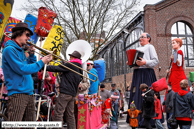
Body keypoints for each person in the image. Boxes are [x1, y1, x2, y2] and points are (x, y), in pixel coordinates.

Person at [2, 22, 52, 122]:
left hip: (28, 92)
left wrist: (32, 54)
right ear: (19, 33)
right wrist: (42, 62)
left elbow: (31, 67)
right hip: (18, 93)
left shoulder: (20, 50)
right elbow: (22, 69)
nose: (29, 38)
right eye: (27, 34)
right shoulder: (9, 50)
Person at [126, 32, 159, 126]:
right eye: (139, 37)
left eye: (142, 37)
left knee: (148, 94)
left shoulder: (150, 47)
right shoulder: (137, 49)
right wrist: (130, 63)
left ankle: (150, 120)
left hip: (147, 72)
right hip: (137, 73)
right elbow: (134, 62)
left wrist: (145, 62)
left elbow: (155, 61)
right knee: (135, 93)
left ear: (148, 38)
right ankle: (134, 117)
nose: (140, 39)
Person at [46, 50, 83, 129]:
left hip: (65, 93)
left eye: (70, 57)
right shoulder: (80, 68)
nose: (69, 58)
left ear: (73, 57)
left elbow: (57, 68)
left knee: (58, 113)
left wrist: (44, 66)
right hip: (72, 94)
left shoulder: (71, 64)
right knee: (70, 115)